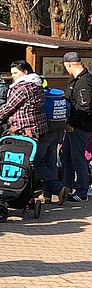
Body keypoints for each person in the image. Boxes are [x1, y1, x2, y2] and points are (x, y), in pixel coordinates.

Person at [61, 52, 91, 203]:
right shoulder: (75, 80)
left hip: (80, 126)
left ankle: (82, 191)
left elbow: (85, 107)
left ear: (68, 65)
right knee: (65, 154)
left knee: (78, 158)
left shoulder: (84, 82)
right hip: (73, 126)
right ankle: (66, 186)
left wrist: (72, 123)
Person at [0, 60, 48, 139]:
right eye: (12, 73)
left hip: (24, 129)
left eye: (15, 73)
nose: (13, 76)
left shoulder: (22, 88)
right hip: (40, 126)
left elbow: (10, 106)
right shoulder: (37, 84)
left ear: (25, 72)